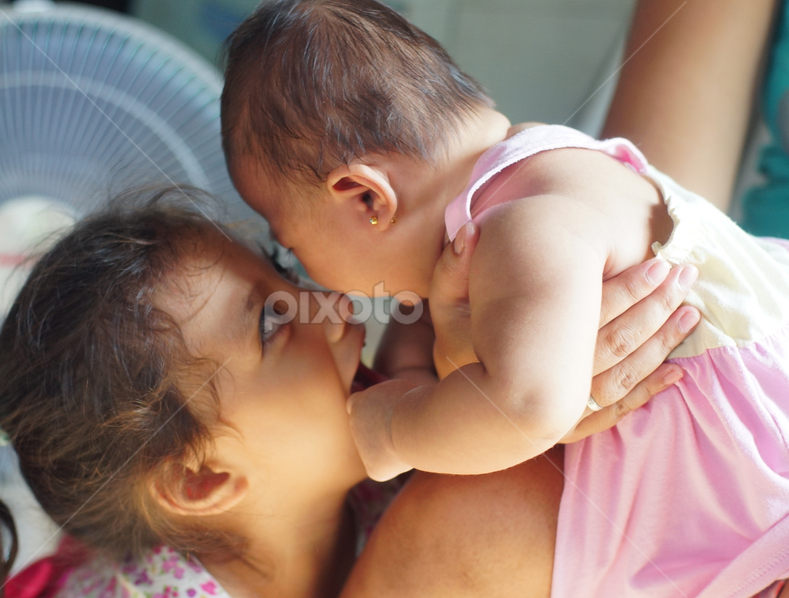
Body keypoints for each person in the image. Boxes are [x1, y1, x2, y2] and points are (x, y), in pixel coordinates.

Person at [219, 0, 789, 595]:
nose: (308, 278)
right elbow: (453, 337)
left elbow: (529, 406)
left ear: (366, 198)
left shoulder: (526, 228)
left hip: (758, 498)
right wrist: (422, 370)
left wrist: (395, 429)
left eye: (291, 248)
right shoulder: (534, 168)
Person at [0, 189, 695, 598]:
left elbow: (448, 367)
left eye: (285, 268)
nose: (334, 305)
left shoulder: (385, 438)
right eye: (276, 323)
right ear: (203, 479)